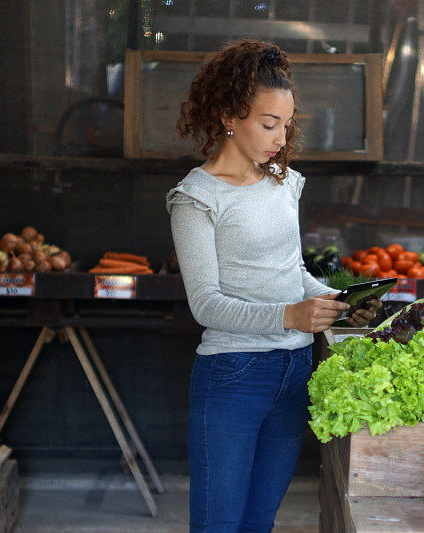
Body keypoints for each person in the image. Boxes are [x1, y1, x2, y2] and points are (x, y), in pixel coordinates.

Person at [166, 39, 381, 532]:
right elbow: (205, 304)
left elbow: (291, 272)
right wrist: (291, 315)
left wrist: (332, 300)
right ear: (229, 115)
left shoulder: (284, 182)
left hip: (295, 369)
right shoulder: (196, 199)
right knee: (218, 525)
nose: (281, 139)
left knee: (259, 522)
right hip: (233, 377)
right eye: (268, 125)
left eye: (286, 124)